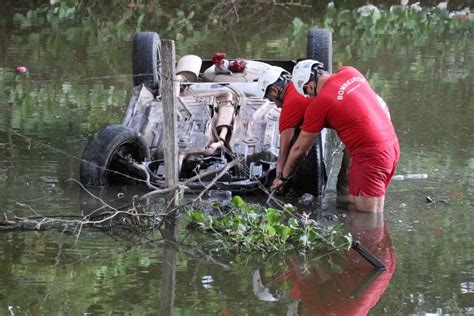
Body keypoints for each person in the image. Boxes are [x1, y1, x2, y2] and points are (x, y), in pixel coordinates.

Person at [271, 60, 399, 213]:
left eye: (307, 93)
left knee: (368, 222)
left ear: (310, 86)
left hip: (370, 157)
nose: (309, 96)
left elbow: (299, 149)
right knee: (354, 204)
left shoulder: (320, 103)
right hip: (391, 144)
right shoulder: (350, 72)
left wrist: (283, 178)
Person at [257, 66, 312, 181]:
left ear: (274, 90)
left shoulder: (290, 106)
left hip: (355, 132)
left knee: (345, 185)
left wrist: (280, 177)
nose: (276, 106)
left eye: (272, 99)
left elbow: (284, 153)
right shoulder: (300, 86)